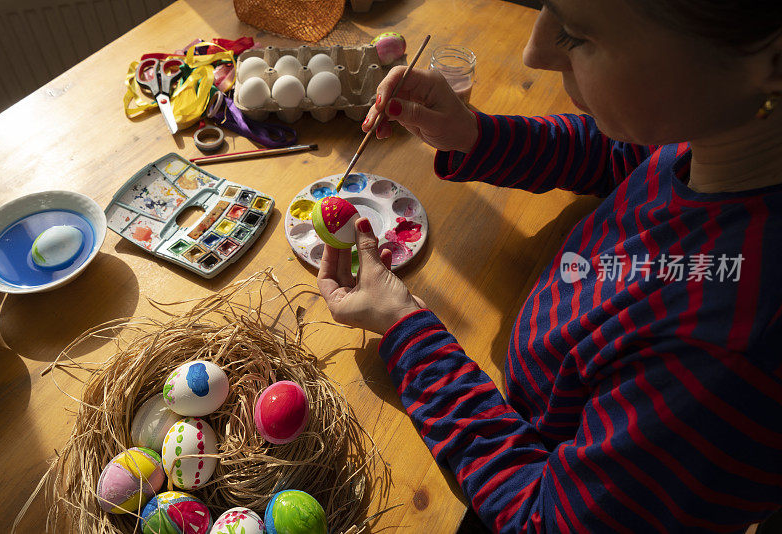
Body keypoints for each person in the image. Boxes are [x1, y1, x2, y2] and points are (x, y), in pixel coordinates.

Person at [317, 0, 782, 531]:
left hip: (519, 463)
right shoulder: (724, 139)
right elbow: (623, 155)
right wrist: (476, 135)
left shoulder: (721, 354)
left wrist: (406, 331)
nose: (533, 52)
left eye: (577, 34)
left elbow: (544, 519)